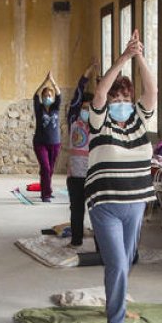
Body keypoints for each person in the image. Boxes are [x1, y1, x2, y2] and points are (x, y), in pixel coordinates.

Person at [86, 30, 157, 323]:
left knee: (127, 260)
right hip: (106, 205)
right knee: (115, 261)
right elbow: (99, 94)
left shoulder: (140, 120)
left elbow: (152, 90)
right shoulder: (100, 122)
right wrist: (122, 59)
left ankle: (117, 304)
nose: (120, 102)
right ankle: (115, 322)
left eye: (125, 97)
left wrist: (139, 55)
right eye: (116, 98)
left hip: (136, 203)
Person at [65, 61, 97, 246]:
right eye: (84, 108)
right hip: (75, 175)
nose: (86, 111)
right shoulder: (74, 122)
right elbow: (76, 97)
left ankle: (101, 242)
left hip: (94, 175)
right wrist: (86, 76)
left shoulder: (98, 125)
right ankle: (76, 240)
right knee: (76, 209)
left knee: (97, 211)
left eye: (90, 109)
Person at [32, 72, 62, 202]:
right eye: (45, 96)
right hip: (40, 143)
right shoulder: (39, 108)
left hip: (55, 143)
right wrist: (45, 82)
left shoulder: (56, 107)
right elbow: (35, 95)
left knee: (49, 170)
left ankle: (46, 188)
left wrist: (53, 82)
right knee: (45, 167)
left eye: (49, 96)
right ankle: (46, 195)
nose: (47, 97)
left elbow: (60, 94)